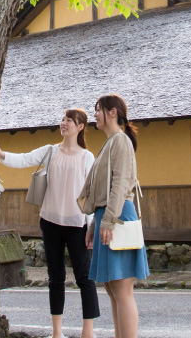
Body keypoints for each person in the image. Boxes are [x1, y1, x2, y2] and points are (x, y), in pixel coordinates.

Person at [0, 109, 99, 338]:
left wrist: (91, 226)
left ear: (80, 127)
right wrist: (1, 154)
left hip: (77, 225)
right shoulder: (50, 151)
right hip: (50, 222)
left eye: (69, 120)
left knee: (85, 278)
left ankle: (88, 332)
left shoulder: (87, 157)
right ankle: (56, 332)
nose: (64, 123)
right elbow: (25, 158)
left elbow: (91, 194)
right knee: (55, 278)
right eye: (63, 120)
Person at [78, 94, 148, 338]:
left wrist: (106, 220)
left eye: (98, 110)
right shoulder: (111, 142)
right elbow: (103, 191)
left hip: (117, 217)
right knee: (112, 289)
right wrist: (94, 224)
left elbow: (118, 186)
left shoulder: (120, 140)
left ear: (113, 113)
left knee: (122, 290)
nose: (95, 114)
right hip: (108, 216)